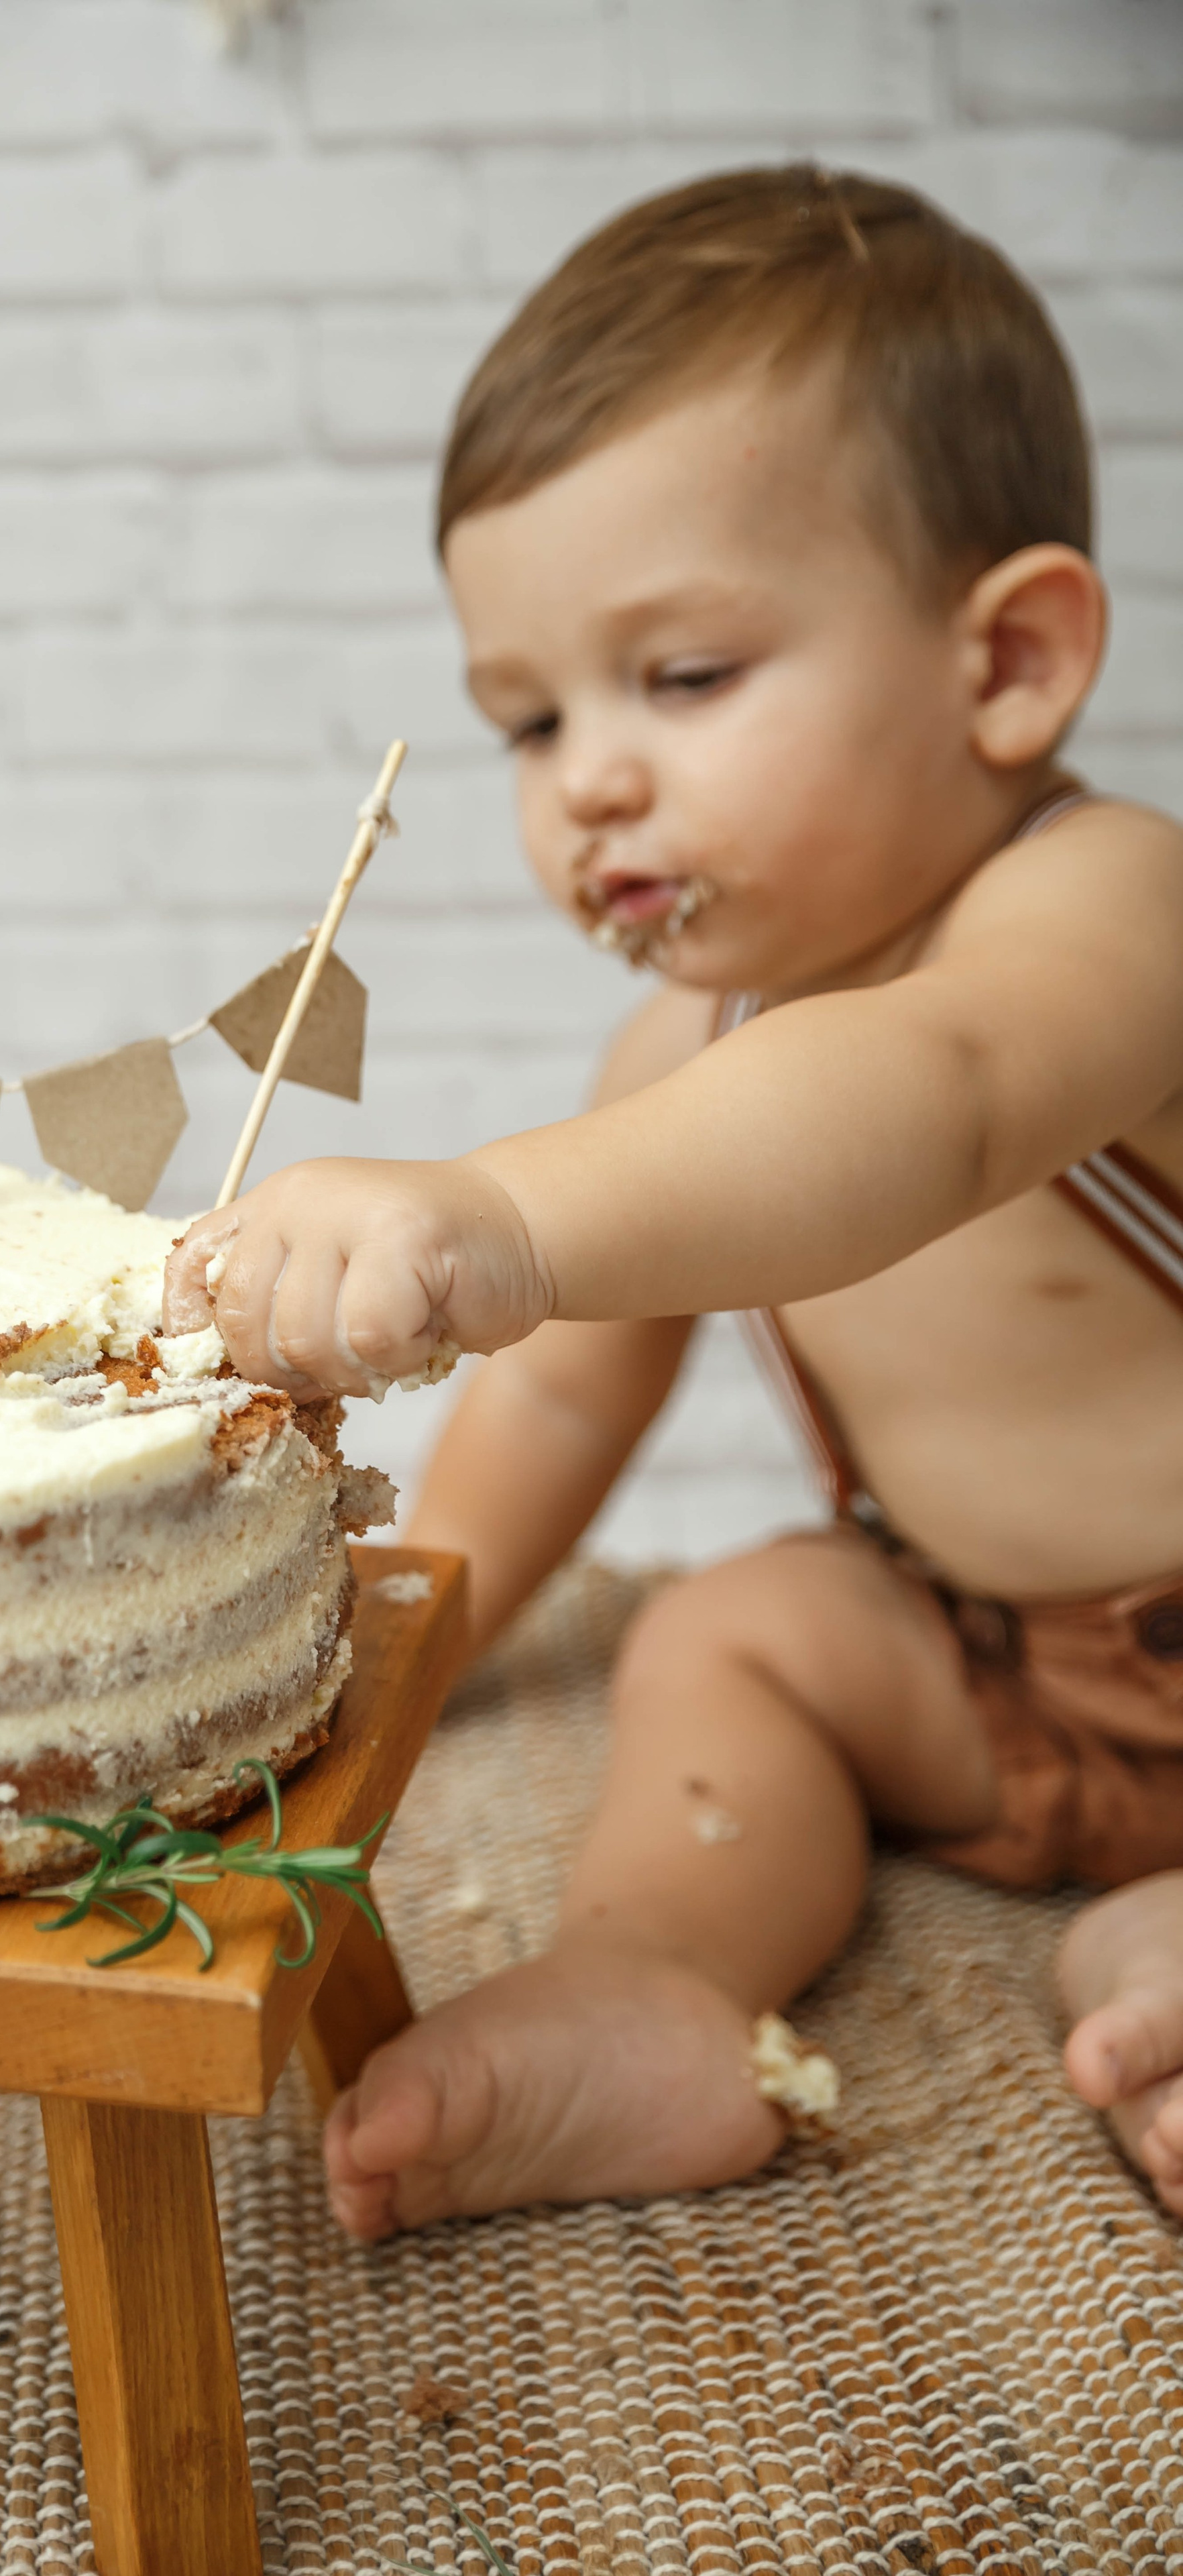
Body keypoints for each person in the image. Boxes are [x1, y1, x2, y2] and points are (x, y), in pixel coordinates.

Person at [164, 166, 1183, 2242]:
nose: (588, 782)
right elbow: (559, 1402)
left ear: (1009, 660)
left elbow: (929, 1099)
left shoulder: (1104, 916)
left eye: (685, 677)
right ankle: (656, 1982)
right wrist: (379, 1652)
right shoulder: (683, 1062)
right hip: (994, 1667)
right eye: (532, 718)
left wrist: (495, 1216)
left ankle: (1147, 1958)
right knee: (742, 1630)